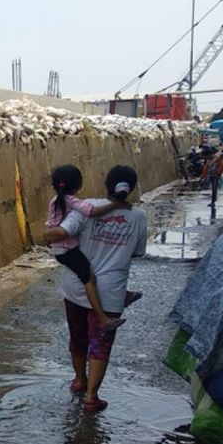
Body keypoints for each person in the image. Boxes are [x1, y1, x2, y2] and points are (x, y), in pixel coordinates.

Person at [45, 165, 148, 413]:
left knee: (77, 338)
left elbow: (64, 232)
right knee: (100, 345)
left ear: (106, 183)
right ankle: (92, 396)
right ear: (131, 188)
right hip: (111, 294)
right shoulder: (138, 217)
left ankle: (79, 380)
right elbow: (138, 252)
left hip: (76, 287)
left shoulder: (86, 206)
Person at [45, 165, 128, 332]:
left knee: (87, 274)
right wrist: (116, 204)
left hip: (59, 249)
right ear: (78, 185)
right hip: (66, 249)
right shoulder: (71, 201)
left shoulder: (55, 201)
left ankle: (124, 296)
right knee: (89, 279)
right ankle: (103, 319)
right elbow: (91, 211)